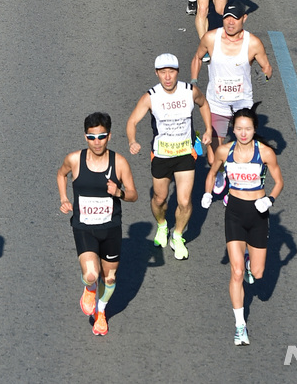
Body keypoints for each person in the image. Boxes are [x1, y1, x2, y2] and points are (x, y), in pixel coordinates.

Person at [201, 105, 283, 345]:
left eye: (248, 129)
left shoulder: (265, 153)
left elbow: (279, 182)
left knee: (257, 274)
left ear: (254, 129)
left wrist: (269, 199)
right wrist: (208, 193)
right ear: (233, 130)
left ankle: (249, 261)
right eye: (239, 129)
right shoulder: (225, 151)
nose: (243, 133)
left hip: (258, 214)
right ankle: (240, 326)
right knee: (236, 272)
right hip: (235, 212)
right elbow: (213, 173)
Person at [57, 113, 138, 336]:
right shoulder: (75, 159)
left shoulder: (119, 162)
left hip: (110, 228)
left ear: (109, 136)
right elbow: (61, 174)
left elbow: (133, 195)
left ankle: (101, 313)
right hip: (84, 227)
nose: (97, 142)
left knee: (109, 277)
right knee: (92, 274)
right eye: (92, 137)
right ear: (86, 137)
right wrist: (64, 198)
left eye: (101, 136)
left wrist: (119, 192)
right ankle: (90, 289)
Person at [126, 54, 212, 260]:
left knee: (184, 201)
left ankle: (178, 235)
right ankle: (163, 225)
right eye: (163, 72)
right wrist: (132, 141)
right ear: (157, 73)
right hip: (162, 155)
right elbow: (132, 121)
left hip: (184, 153)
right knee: (160, 199)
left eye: (171, 72)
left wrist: (208, 129)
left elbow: (204, 104)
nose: (167, 77)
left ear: (177, 72)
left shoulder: (189, 92)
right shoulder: (151, 96)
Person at [192, 3, 273, 183]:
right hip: (216, 103)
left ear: (244, 18)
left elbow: (267, 67)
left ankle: (244, 178)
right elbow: (197, 58)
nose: (230, 22)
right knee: (213, 158)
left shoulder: (253, 43)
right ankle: (221, 171)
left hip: (242, 104)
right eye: (227, 17)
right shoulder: (211, 38)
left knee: (244, 147)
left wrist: (265, 76)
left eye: (235, 18)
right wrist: (194, 81)